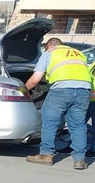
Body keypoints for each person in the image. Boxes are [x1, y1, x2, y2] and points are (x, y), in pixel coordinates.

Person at [25, 37, 93, 170]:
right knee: (78, 125)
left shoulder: (50, 53)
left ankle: (45, 155)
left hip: (61, 90)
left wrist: (22, 90)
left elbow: (35, 80)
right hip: (84, 91)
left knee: (50, 122)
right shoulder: (79, 54)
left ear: (49, 46)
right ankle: (79, 159)